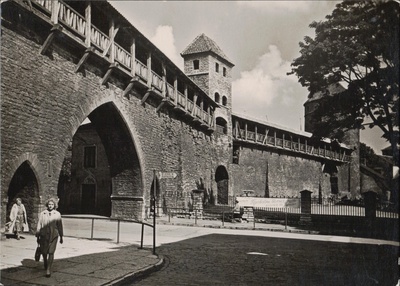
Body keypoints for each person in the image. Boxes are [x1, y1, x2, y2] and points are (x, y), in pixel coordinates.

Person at [36, 198, 63, 278]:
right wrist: (38, 234)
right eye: (49, 204)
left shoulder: (57, 214)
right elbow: (39, 224)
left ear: (54, 205)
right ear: (47, 205)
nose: (50, 206)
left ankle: (48, 269)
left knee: (51, 252)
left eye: (52, 204)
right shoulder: (43, 213)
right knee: (44, 252)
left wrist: (61, 236)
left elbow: (60, 226)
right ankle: (45, 261)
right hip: (44, 235)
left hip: (53, 235)